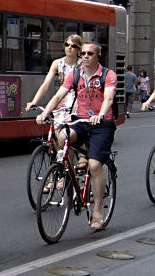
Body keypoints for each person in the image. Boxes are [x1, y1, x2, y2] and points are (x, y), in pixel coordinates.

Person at [36, 42, 117, 231]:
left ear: (98, 55)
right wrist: (44, 113)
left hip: (102, 124)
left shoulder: (108, 75)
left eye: (90, 53)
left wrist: (101, 114)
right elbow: (58, 96)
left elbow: (109, 98)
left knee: (95, 165)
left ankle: (97, 210)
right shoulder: (76, 74)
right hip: (80, 121)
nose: (86, 56)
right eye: (83, 53)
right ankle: (67, 171)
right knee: (62, 137)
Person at [26, 34, 83, 150]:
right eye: (67, 44)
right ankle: (62, 161)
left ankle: (80, 154)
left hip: (79, 99)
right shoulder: (57, 63)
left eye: (73, 45)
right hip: (62, 98)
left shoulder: (82, 64)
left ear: (78, 50)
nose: (69, 47)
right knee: (56, 131)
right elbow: (46, 84)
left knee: (74, 130)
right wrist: (34, 101)